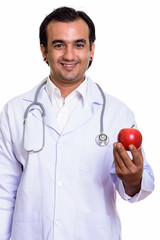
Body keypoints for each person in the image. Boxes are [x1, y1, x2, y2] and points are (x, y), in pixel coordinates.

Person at [0, 6, 154, 240]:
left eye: (79, 45)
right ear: (44, 51)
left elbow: (140, 184)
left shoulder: (116, 114)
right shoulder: (15, 110)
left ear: (92, 50)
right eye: (59, 45)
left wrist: (134, 180)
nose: (69, 55)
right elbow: (3, 191)